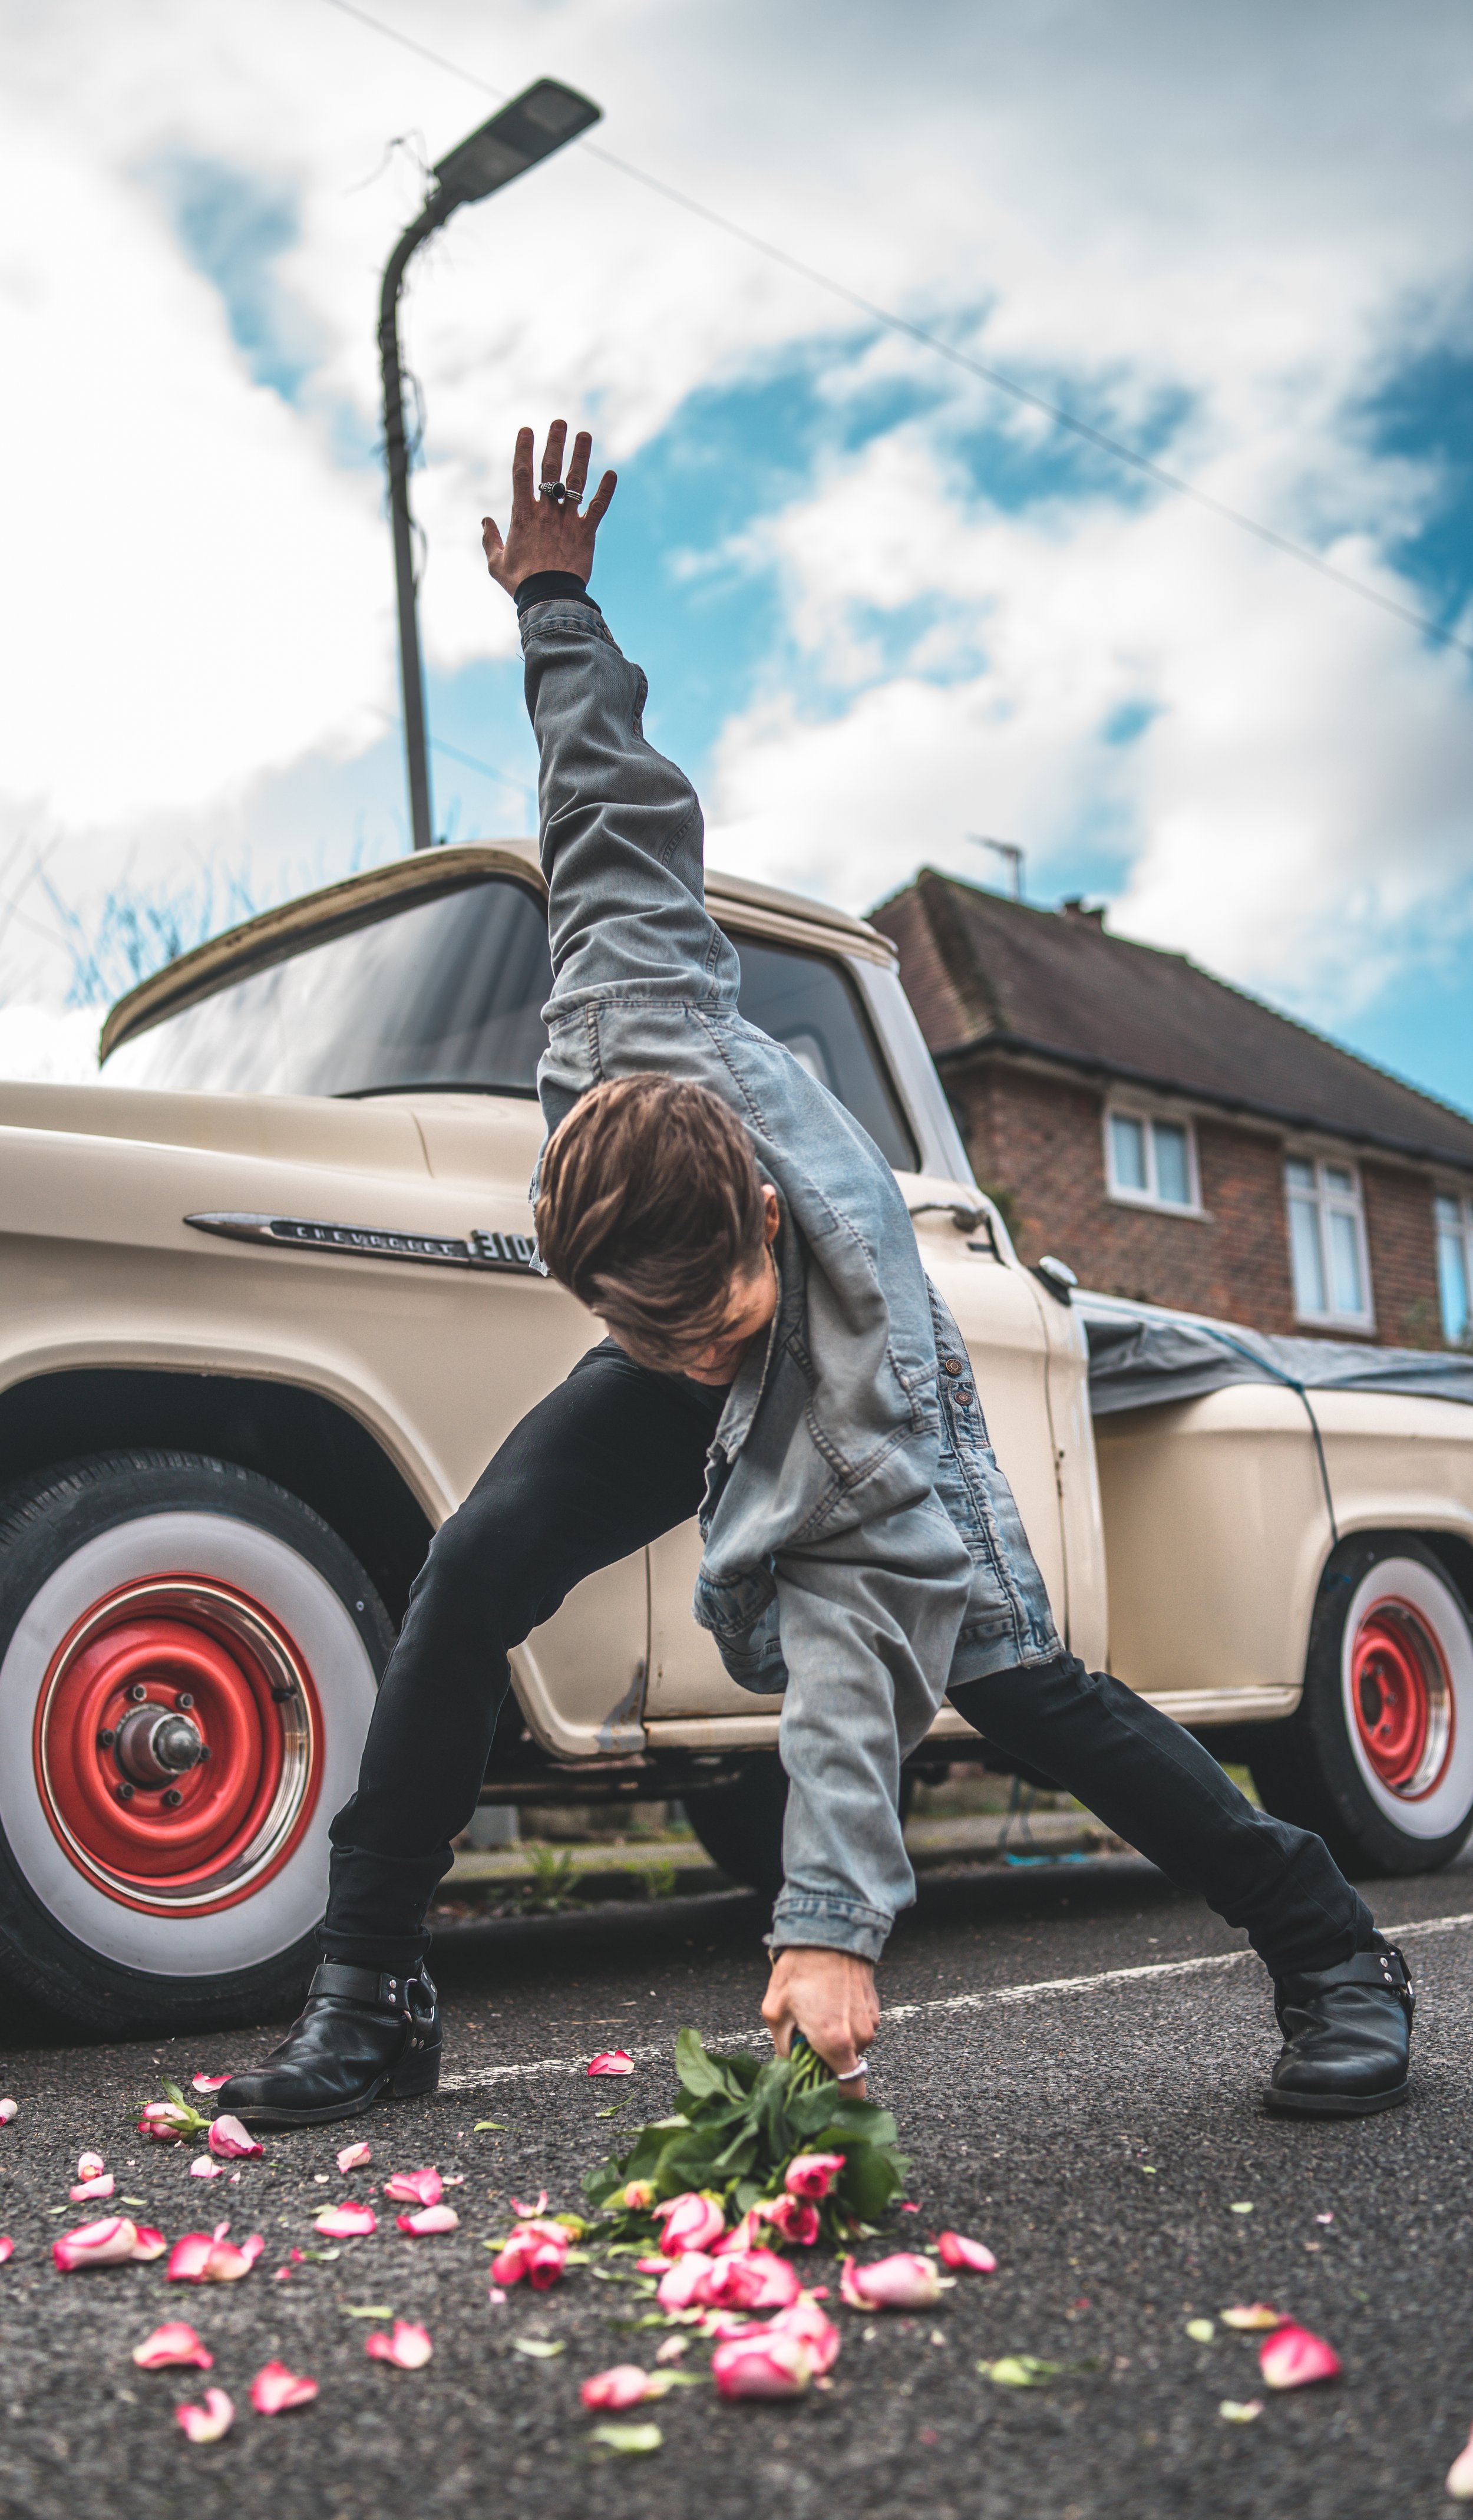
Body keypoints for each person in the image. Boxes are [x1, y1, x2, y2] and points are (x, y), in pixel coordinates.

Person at [220, 422, 1414, 2130]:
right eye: (654, 1333)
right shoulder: (618, 1012)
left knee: (1011, 1682)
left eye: (712, 1333)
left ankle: (1326, 1946)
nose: (695, 1365)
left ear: (762, 1228)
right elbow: (604, 796)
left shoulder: (842, 1344)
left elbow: (852, 1644)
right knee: (475, 1563)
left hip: (871, 1356)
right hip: (705, 1266)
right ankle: (372, 1992)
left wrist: (828, 1924)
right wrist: (554, 602)